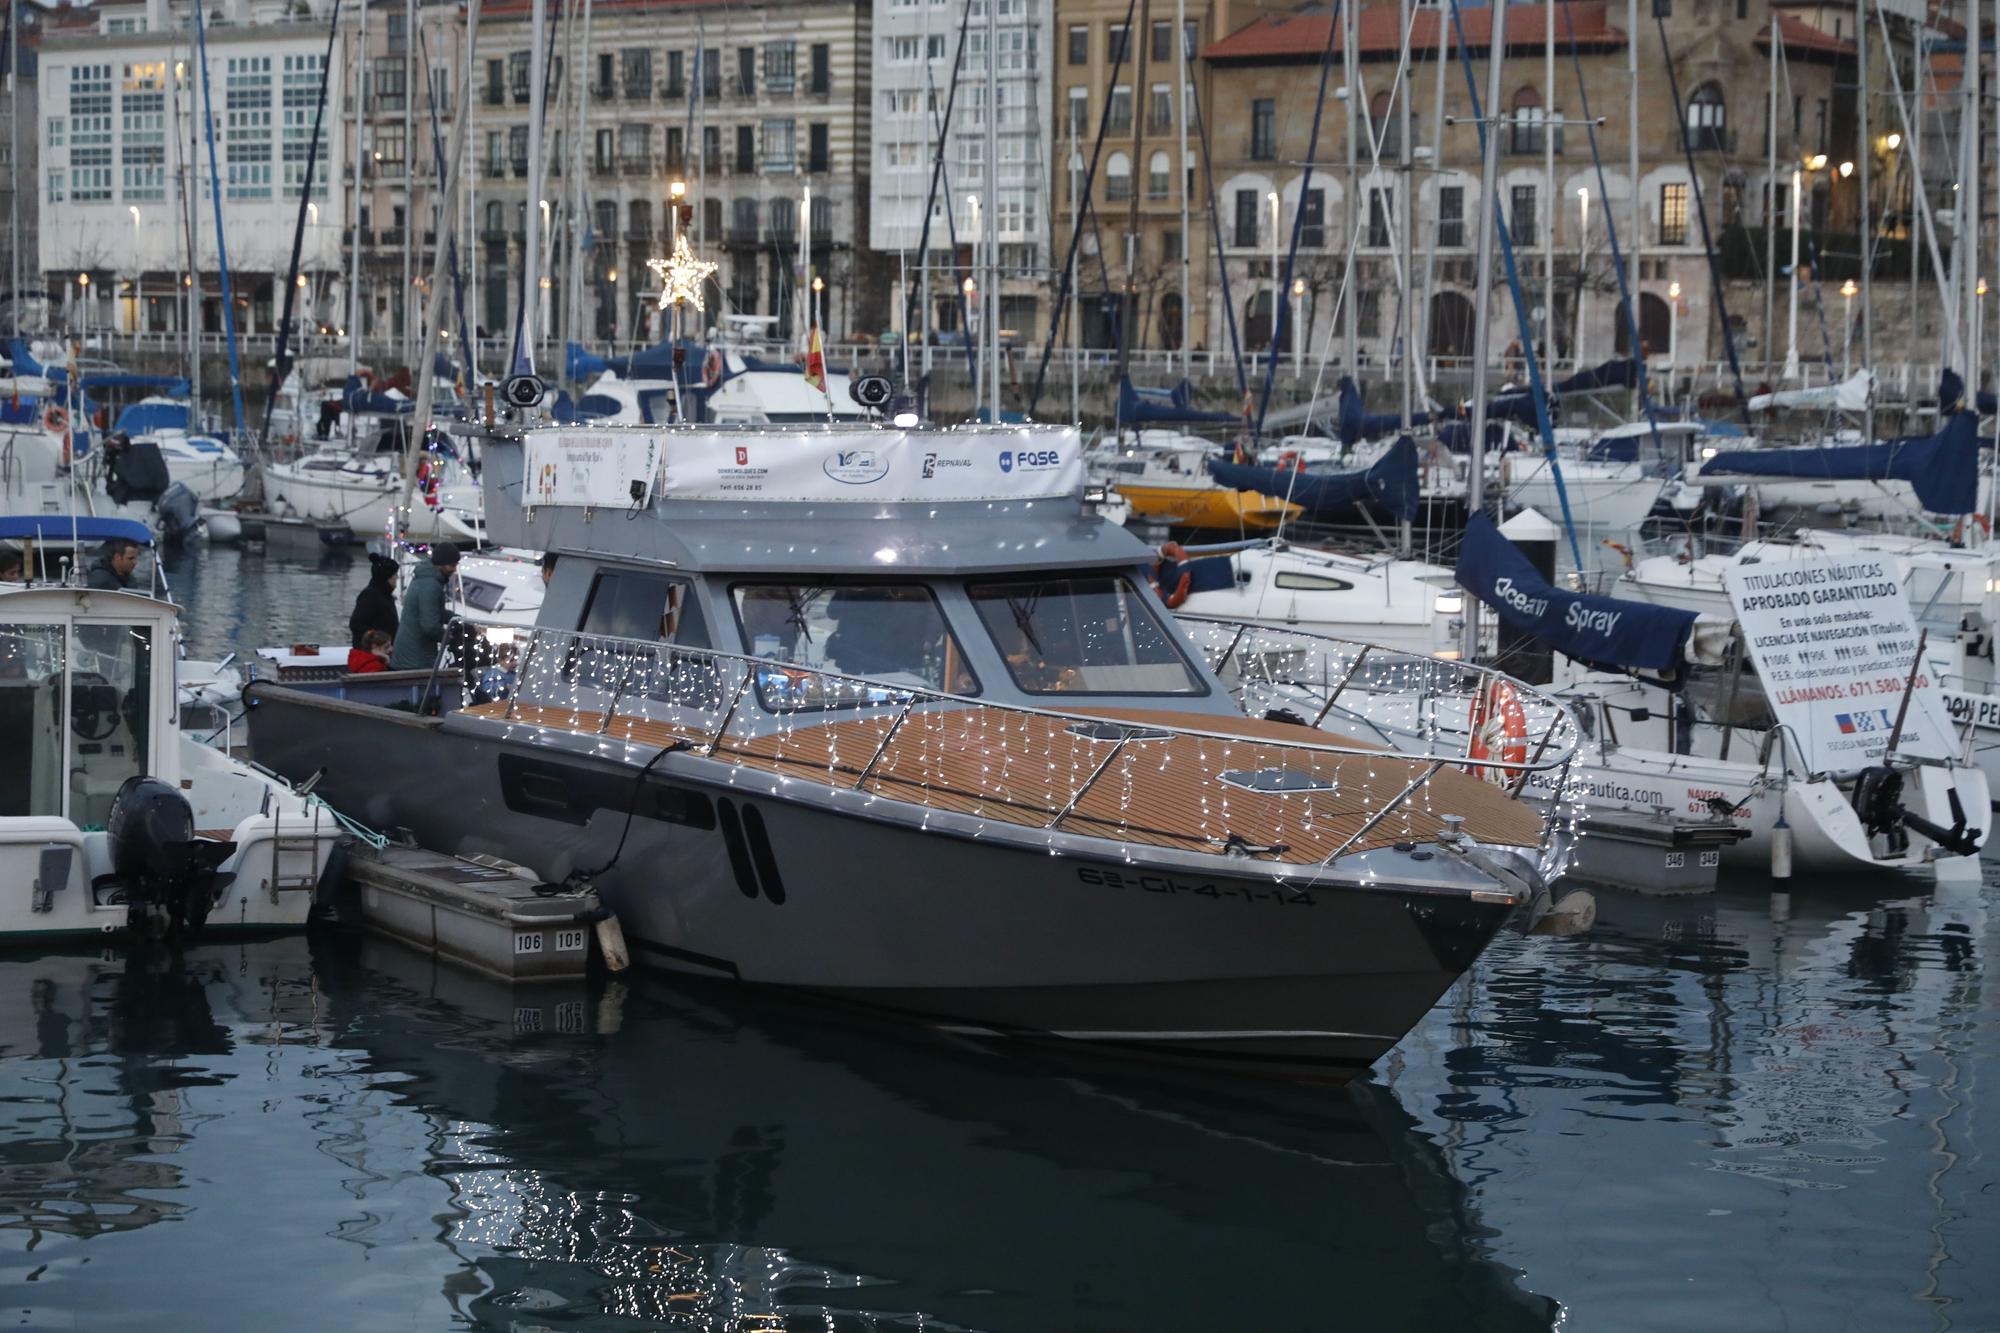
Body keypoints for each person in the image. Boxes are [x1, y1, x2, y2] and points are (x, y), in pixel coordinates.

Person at [390, 541, 459, 669]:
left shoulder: (424, 579)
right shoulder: (431, 586)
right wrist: (451, 638)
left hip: (410, 654)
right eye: (452, 565)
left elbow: (435, 612)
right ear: (440, 564)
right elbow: (430, 626)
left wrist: (459, 620)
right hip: (416, 660)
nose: (454, 569)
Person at [349, 550, 401, 648]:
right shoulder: (370, 595)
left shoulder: (386, 595)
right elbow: (356, 624)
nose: (397, 577)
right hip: (371, 652)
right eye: (395, 575)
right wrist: (376, 639)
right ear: (387, 577)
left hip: (383, 650)